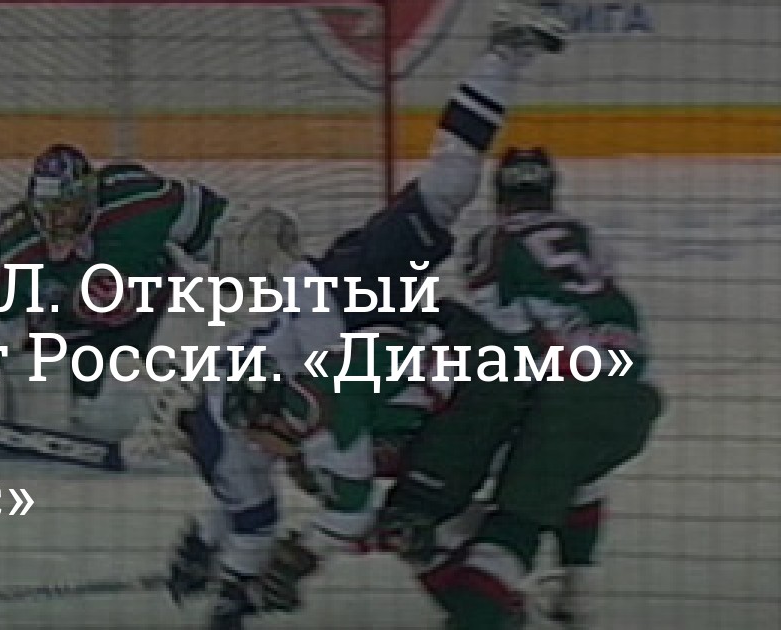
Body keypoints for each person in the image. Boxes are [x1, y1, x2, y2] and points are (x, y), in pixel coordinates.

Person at [162, 2, 570, 628]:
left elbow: (260, 510)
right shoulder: (239, 413)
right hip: (369, 335)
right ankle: (499, 568)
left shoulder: (242, 423)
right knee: (428, 489)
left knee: (447, 192)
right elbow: (252, 500)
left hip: (346, 300)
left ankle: (505, 53)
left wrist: (244, 583)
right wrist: (222, 557)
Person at [379, 147, 663, 630]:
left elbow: (501, 334)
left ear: (499, 196)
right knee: (574, 463)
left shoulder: (493, 241)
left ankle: (481, 614)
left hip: (563, 384)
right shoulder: (586, 235)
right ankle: (576, 588)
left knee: (515, 517)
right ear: (550, 191)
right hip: (633, 386)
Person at [0, 143, 229, 464]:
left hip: (154, 317)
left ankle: (183, 411)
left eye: (66, 209)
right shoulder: (16, 250)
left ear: (90, 199)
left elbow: (223, 229)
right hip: (75, 342)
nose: (57, 222)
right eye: (48, 210)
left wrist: (246, 271)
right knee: (60, 414)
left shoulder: (139, 203)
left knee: (200, 300)